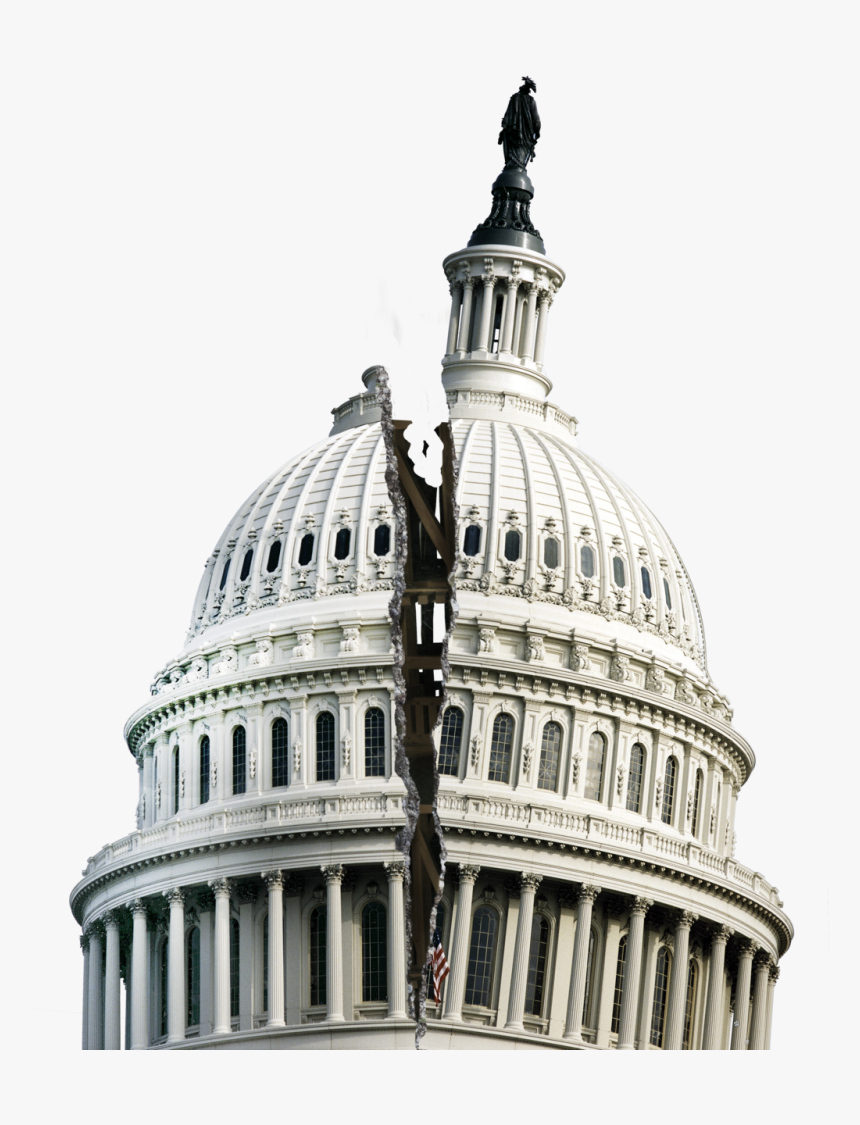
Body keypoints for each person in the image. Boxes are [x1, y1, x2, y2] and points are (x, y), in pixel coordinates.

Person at [498, 77, 541, 172]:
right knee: (520, 152)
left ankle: (514, 167)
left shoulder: (515, 98)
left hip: (514, 133)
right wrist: (537, 132)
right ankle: (517, 167)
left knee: (514, 150)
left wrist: (504, 127)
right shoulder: (530, 100)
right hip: (525, 134)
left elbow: (507, 115)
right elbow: (536, 120)